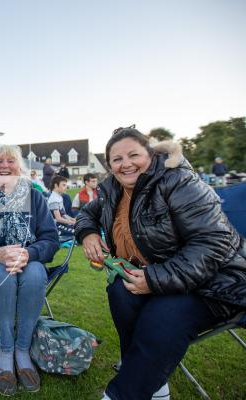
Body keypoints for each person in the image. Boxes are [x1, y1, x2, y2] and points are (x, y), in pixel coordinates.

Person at [76, 126, 246, 400]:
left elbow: (214, 243)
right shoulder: (113, 189)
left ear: (152, 154)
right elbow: (86, 213)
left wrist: (154, 280)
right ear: (109, 165)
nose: (126, 163)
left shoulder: (179, 181)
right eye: (117, 159)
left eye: (134, 155)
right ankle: (155, 385)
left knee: (161, 317)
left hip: (214, 282)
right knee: (120, 291)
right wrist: (89, 234)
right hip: (157, 276)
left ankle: (122, 393)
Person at [0, 145, 59, 396]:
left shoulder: (35, 198)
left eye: (11, 161)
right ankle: (6, 351)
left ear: (20, 168)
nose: (5, 165)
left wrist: (29, 253)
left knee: (37, 272)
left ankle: (23, 349)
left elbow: (50, 239)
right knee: (2, 273)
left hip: (30, 259)